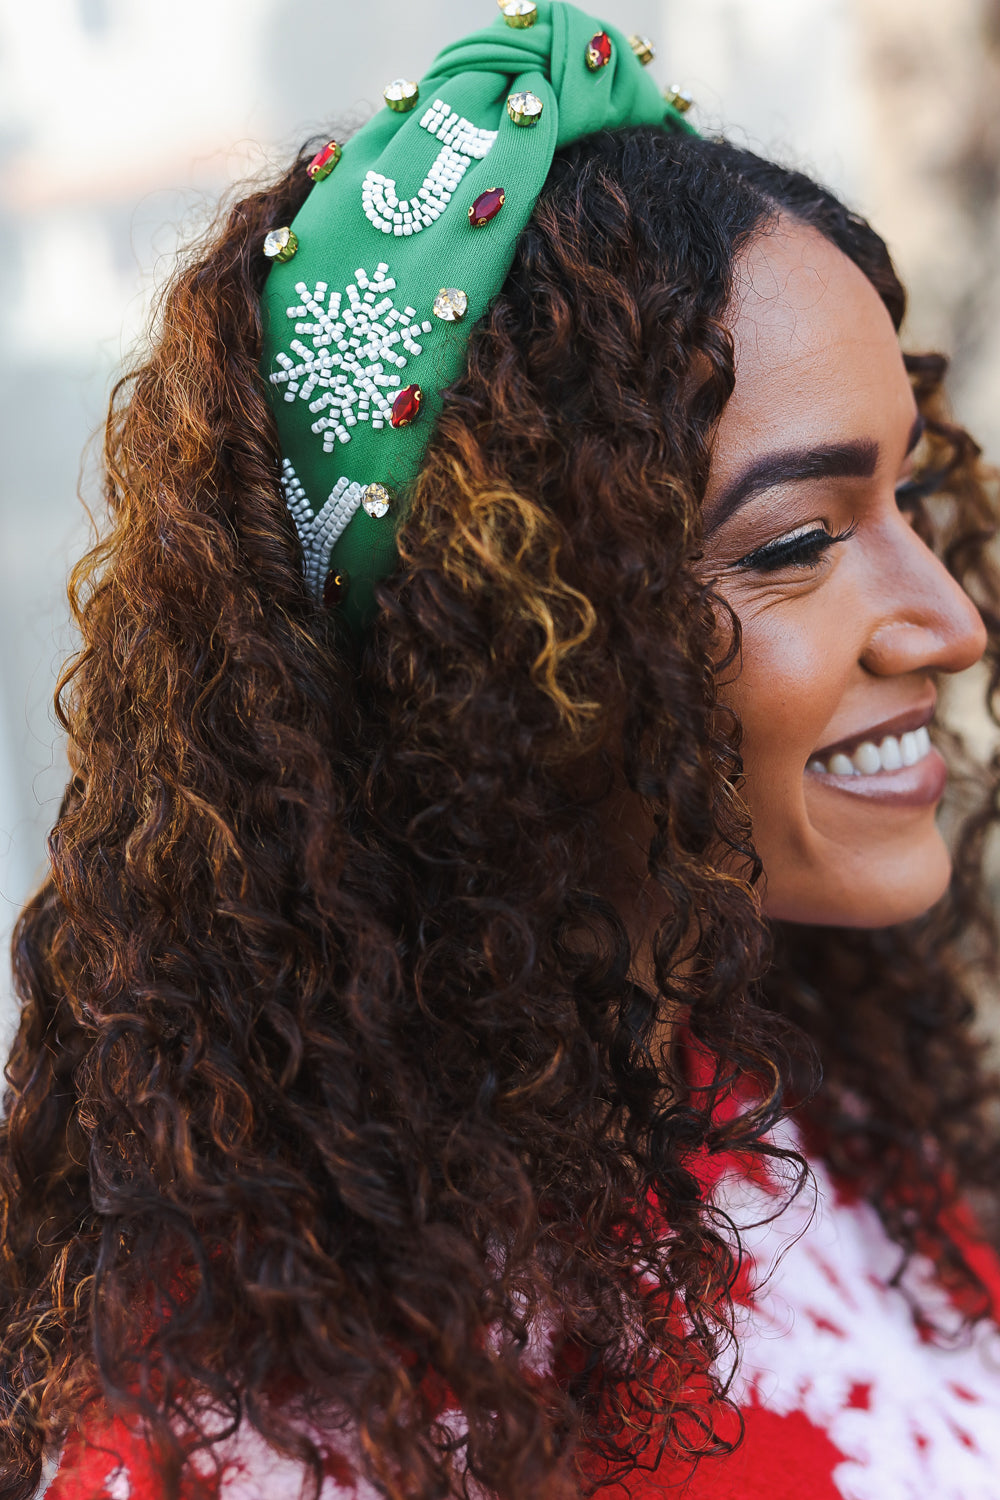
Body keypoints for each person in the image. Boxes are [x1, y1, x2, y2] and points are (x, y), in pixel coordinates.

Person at [1, 3, 999, 1497]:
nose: (952, 620)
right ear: (504, 651)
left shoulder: (797, 1097)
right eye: (799, 542)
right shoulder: (279, 1423)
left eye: (909, 501)